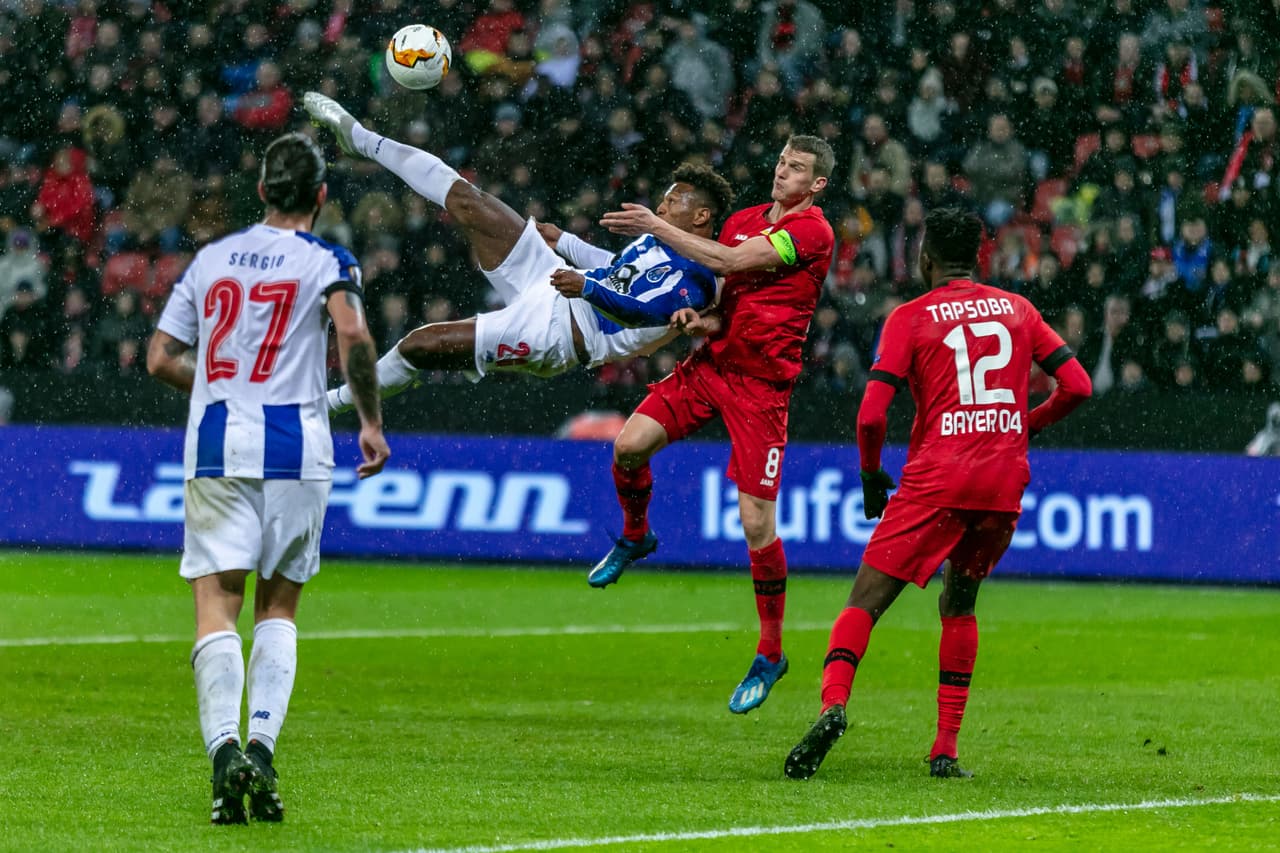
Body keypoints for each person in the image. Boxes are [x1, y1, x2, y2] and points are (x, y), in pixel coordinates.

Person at [783, 207, 1091, 781]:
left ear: (923, 259)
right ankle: (945, 749)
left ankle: (833, 706)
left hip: (937, 477)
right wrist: (1028, 423)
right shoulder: (1018, 310)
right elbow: (1078, 384)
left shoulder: (910, 317)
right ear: (979, 256)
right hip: (1001, 479)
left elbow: (872, 415)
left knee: (863, 602)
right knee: (960, 603)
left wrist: (872, 474)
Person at [146, 132, 390, 824]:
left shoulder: (211, 257)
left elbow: (161, 356)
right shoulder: (328, 260)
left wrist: (222, 390)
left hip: (220, 442)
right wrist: (370, 422)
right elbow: (355, 336)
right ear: (320, 195)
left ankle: (225, 755)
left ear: (259, 191)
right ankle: (262, 746)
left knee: (216, 605)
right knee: (277, 608)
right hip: (297, 446)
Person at [594, 135, 836, 714]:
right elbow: (725, 293)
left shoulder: (814, 232)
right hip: (712, 366)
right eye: (780, 161)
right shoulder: (747, 217)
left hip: (762, 389)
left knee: (756, 524)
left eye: (796, 168)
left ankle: (770, 652)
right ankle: (635, 535)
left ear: (817, 184)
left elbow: (727, 262)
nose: (782, 172)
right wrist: (701, 320)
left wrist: (655, 225)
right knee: (628, 447)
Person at [302, 93, 727, 402]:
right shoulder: (658, 240)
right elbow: (620, 270)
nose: (661, 206)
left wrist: (586, 288)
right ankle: (359, 138)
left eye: (672, 202)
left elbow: (645, 312)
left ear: (701, 217)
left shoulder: (700, 279)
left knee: (419, 344)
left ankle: (330, 407)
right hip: (556, 283)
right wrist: (566, 242)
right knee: (470, 200)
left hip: (559, 335)